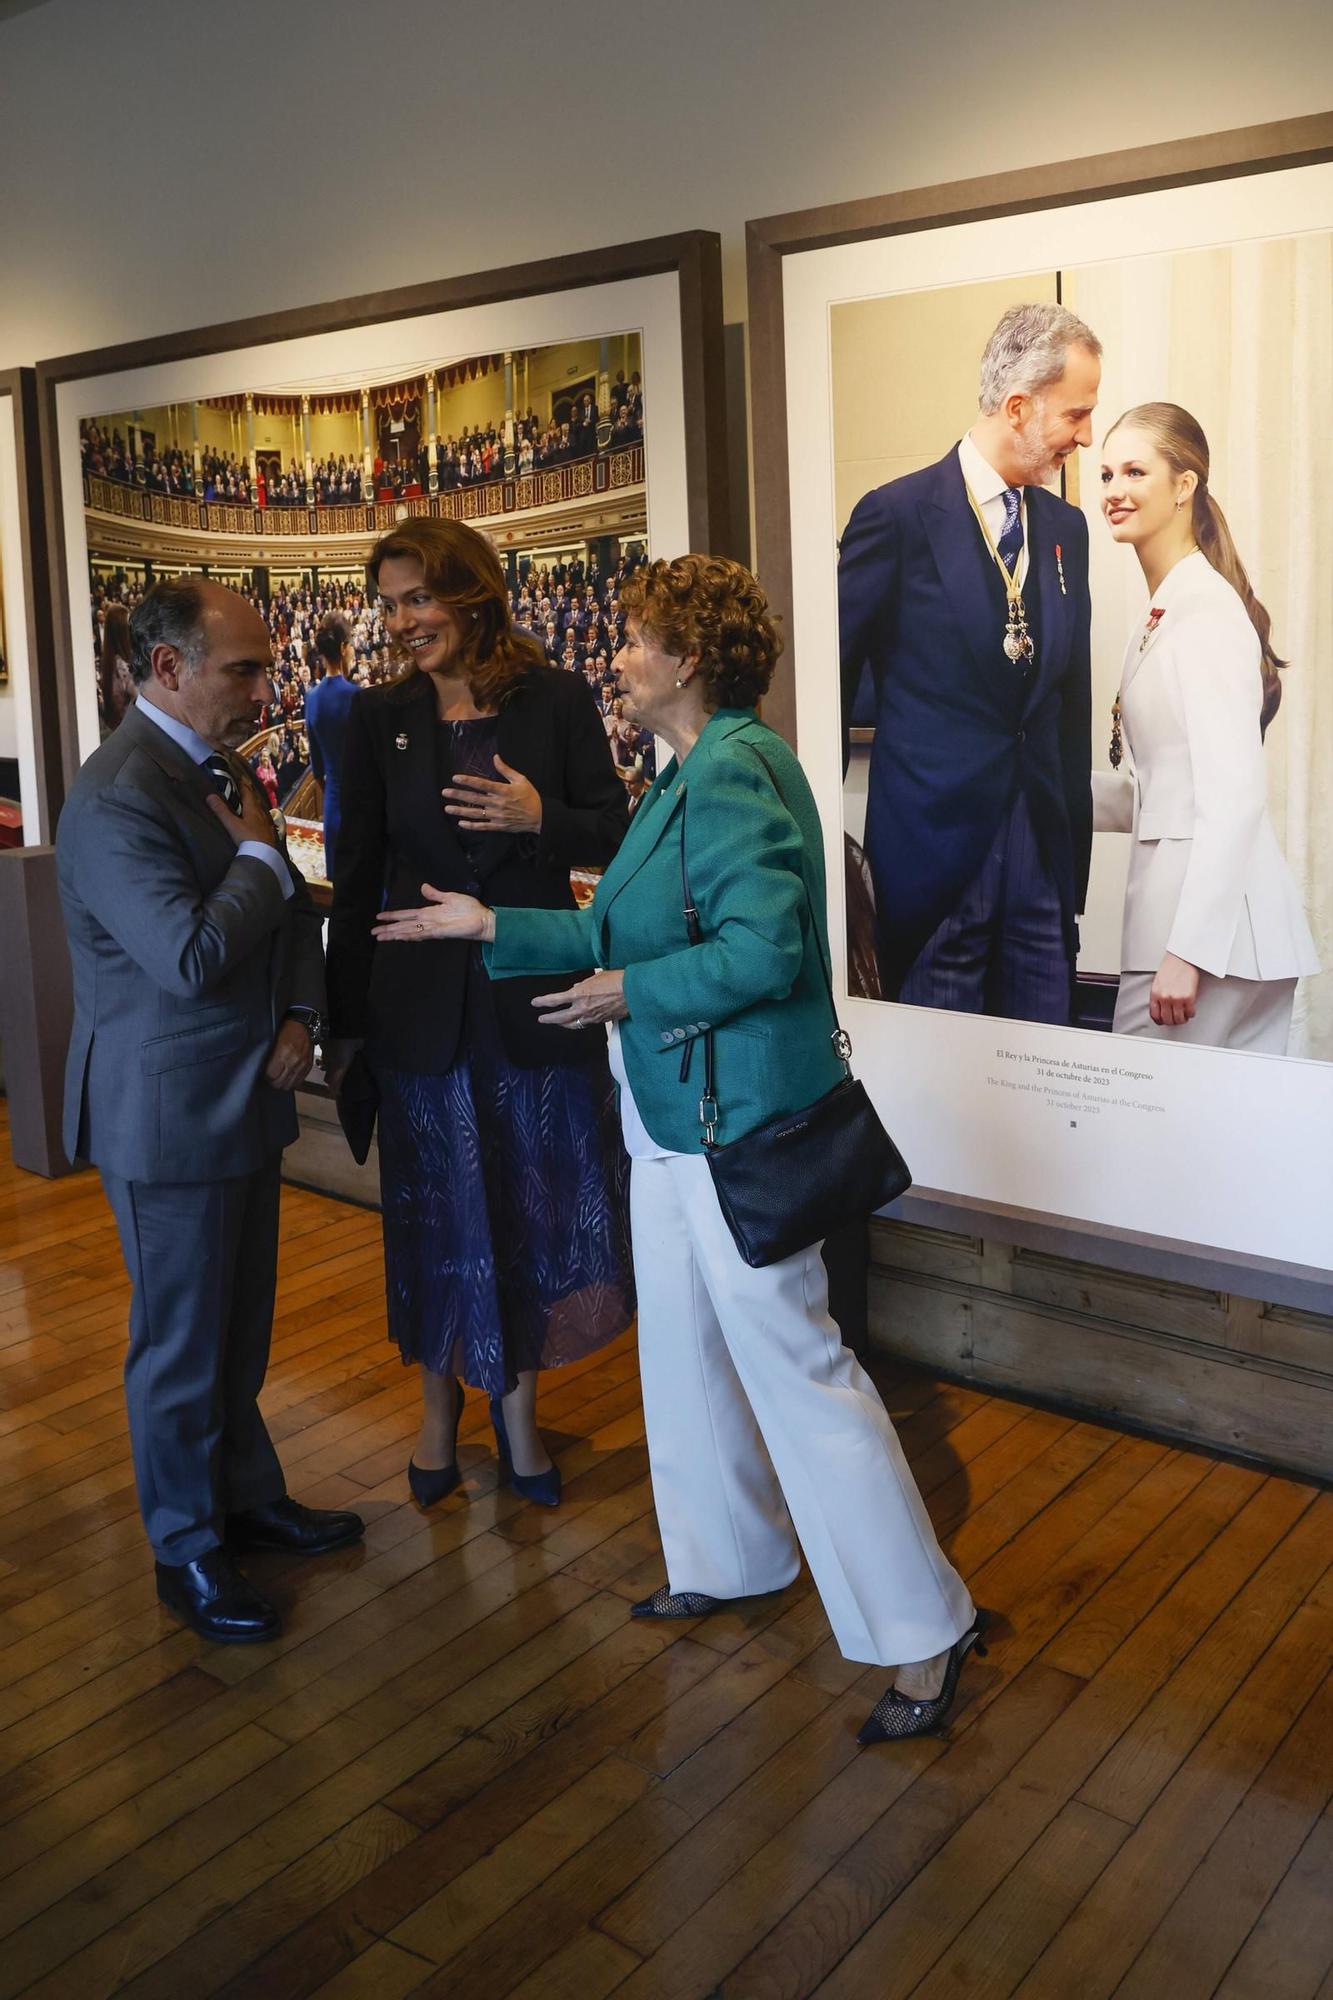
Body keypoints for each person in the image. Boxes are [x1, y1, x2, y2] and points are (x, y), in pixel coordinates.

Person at [374, 554, 985, 1744]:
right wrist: (496, 921)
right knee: (690, 1353)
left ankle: (925, 1628)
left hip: (731, 1120)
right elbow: (612, 922)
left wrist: (625, 991)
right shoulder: (683, 774)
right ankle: (730, 1555)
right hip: (670, 1115)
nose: (616, 657)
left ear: (690, 660)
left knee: (798, 1367)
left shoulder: (739, 770)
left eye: (635, 640)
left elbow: (764, 951)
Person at [55, 577, 362, 1645]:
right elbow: (188, 952)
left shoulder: (222, 768)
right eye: (243, 669)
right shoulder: (113, 795)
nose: (264, 688)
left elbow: (288, 925)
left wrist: (298, 1015)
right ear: (168, 669)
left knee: (238, 1331)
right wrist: (263, 852)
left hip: (246, 1088)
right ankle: (184, 1542)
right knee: (181, 1345)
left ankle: (243, 1495)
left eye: (266, 665)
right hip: (165, 1111)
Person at [323, 517, 635, 1510]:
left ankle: (520, 1416)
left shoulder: (553, 698)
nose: (403, 620)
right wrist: (344, 1021)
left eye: (418, 597)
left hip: (527, 1003)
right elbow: (360, 870)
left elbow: (612, 828)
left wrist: (543, 820)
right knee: (433, 1220)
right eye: (389, 603)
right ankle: (434, 1413)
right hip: (420, 1016)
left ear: (471, 591)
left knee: (526, 1214)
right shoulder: (379, 718)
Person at [838, 302, 1100, 1021]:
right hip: (929, 867)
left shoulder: (1064, 529)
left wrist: (1069, 869)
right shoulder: (893, 515)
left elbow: (1069, 706)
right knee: (935, 1104)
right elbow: (829, 688)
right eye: (1074, 416)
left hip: (1040, 869)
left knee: (1044, 1078)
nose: (1083, 437)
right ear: (1017, 407)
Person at [1094, 403, 1319, 1050]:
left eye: (1134, 472)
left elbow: (1233, 796)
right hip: (1213, 935)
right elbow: (1169, 782)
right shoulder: (1169, 608)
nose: (1114, 491)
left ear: (1183, 485)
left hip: (1206, 940)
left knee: (1144, 1134)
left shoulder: (1205, 612)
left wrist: (1186, 953)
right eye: (1106, 474)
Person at [304, 610, 359, 875]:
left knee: (341, 885)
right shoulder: (357, 697)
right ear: (344, 647)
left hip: (333, 805)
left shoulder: (312, 698)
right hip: (361, 804)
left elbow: (316, 769)